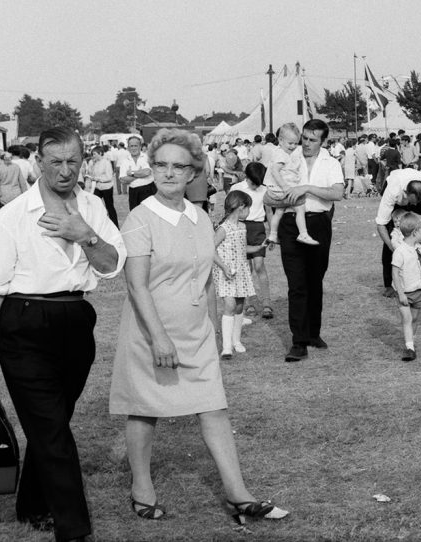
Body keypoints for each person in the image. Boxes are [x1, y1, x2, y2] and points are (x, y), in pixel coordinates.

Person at [109, 128, 288, 526]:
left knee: (214, 407)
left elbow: (206, 276)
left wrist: (211, 330)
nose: (169, 173)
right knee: (144, 409)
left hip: (195, 330)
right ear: (151, 168)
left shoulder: (200, 216)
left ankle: (238, 495)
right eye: (161, 165)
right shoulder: (140, 218)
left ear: (193, 172)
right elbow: (135, 284)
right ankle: (142, 488)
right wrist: (158, 337)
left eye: (179, 166)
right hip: (150, 329)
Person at [0, 127, 126, 541]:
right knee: (52, 430)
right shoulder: (12, 215)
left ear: (83, 160)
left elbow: (112, 265)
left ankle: (32, 505)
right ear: (39, 162)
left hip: (75, 320)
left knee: (54, 422)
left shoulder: (93, 207)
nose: (64, 170)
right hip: (22, 324)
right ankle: (74, 529)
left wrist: (85, 235)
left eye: (72, 161)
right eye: (55, 162)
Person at [279, 119, 345, 362]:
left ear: (322, 141)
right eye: (304, 138)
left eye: (312, 139)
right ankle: (299, 341)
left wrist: (307, 188)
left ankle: (313, 332)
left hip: (318, 223)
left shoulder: (331, 163)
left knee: (315, 280)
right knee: (296, 284)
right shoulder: (288, 156)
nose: (306, 143)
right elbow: (271, 189)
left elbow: (337, 193)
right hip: (290, 223)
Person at [212, 191, 267, 359]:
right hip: (226, 273)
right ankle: (227, 347)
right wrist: (223, 267)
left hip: (241, 271)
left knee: (238, 306)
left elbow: (243, 249)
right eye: (249, 207)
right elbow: (211, 249)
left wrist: (258, 248)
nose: (250, 211)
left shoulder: (242, 227)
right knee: (229, 305)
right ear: (241, 207)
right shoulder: (223, 229)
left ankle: (236, 341)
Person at [390, 212, 421, 361]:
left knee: (415, 319)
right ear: (415, 232)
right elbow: (395, 273)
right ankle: (409, 348)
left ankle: (411, 339)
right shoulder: (400, 251)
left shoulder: (418, 248)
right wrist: (400, 294)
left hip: (418, 291)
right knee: (407, 319)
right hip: (404, 292)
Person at [375, 166, 421, 298]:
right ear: (406, 194)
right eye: (413, 201)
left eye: (418, 202)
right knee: (392, 235)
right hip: (396, 196)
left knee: (420, 239)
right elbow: (381, 223)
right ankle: (389, 285)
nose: (415, 205)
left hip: (415, 191)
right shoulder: (393, 190)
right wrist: (392, 246)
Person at [231, 162, 275, 319]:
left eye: (258, 182)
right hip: (240, 228)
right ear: (246, 176)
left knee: (259, 265)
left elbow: (269, 212)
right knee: (245, 267)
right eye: (252, 182)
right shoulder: (236, 189)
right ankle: (249, 303)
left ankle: (266, 303)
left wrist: (273, 233)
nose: (255, 186)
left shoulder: (265, 190)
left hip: (257, 229)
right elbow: (230, 212)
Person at [263, 123, 319, 246]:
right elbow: (275, 171)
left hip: (275, 190)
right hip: (281, 189)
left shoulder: (279, 151)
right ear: (280, 140)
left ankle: (273, 234)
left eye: (295, 143)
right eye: (290, 143)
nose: (293, 146)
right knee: (300, 208)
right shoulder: (281, 154)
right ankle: (303, 233)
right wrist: (285, 187)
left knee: (279, 211)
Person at [120, 135, 156, 211]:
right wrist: (139, 174)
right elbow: (123, 180)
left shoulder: (147, 157)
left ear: (140, 146)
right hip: (133, 192)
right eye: (131, 146)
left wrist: (132, 173)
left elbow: (147, 172)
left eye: (135, 146)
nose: (133, 148)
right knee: (135, 216)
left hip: (148, 190)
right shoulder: (125, 161)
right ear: (128, 147)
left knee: (149, 215)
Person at [85, 145, 118, 226]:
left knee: (109, 207)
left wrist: (98, 179)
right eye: (92, 154)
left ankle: (115, 226)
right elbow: (90, 173)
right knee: (94, 205)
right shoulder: (93, 162)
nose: (93, 156)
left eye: (94, 154)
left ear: (100, 153)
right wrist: (91, 165)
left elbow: (109, 177)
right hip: (97, 187)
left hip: (107, 187)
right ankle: (98, 225)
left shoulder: (106, 162)